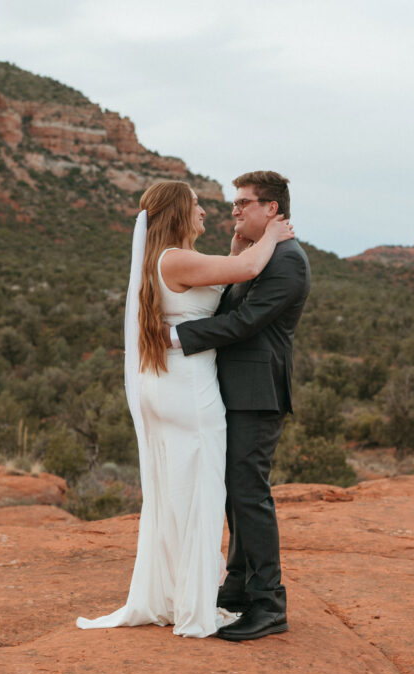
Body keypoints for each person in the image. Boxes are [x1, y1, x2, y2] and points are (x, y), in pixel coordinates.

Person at [76, 180, 295, 638]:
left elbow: (220, 282)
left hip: (169, 384)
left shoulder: (166, 259)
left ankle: (189, 589)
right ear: (178, 212)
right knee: (201, 493)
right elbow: (250, 271)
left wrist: (237, 249)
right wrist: (269, 235)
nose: (206, 213)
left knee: (178, 489)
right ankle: (195, 599)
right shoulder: (177, 258)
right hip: (190, 389)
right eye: (196, 206)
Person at [172, 170, 311, 641]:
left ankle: (270, 603)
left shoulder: (288, 261)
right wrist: (234, 253)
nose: (234, 210)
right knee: (234, 490)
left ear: (272, 209)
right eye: (233, 203)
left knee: (249, 493)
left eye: (243, 203)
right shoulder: (259, 256)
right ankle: (237, 587)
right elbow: (229, 308)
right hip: (236, 390)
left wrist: (177, 337)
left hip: (258, 394)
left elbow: (245, 323)